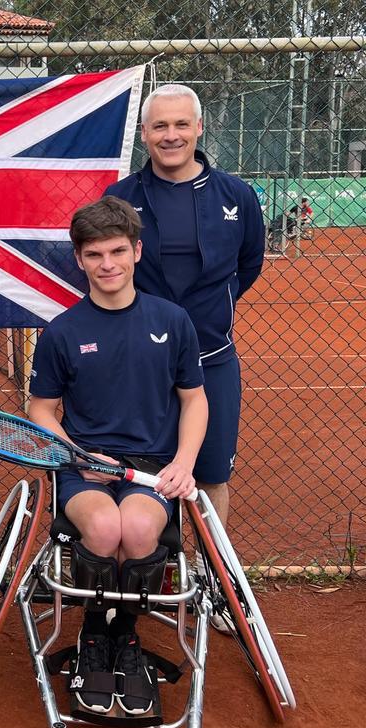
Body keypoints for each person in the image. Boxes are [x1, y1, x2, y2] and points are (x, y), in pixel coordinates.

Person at [29, 196, 207, 715]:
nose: (107, 264)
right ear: (79, 260)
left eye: (117, 251)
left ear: (136, 251)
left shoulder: (172, 321)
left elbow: (194, 400)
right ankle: (92, 635)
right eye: (94, 255)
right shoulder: (62, 331)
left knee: (138, 528)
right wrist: (74, 451)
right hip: (87, 466)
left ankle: (125, 638)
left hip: (152, 468)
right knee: (104, 529)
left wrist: (184, 463)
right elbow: (41, 409)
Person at [103, 83, 263, 529]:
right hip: (140, 363)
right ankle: (148, 575)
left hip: (211, 361)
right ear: (144, 133)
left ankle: (214, 576)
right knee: (140, 477)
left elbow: (247, 266)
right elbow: (106, 270)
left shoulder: (237, 196)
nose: (170, 135)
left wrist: (209, 311)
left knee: (210, 478)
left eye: (180, 124)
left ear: (198, 128)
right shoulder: (119, 197)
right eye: (159, 126)